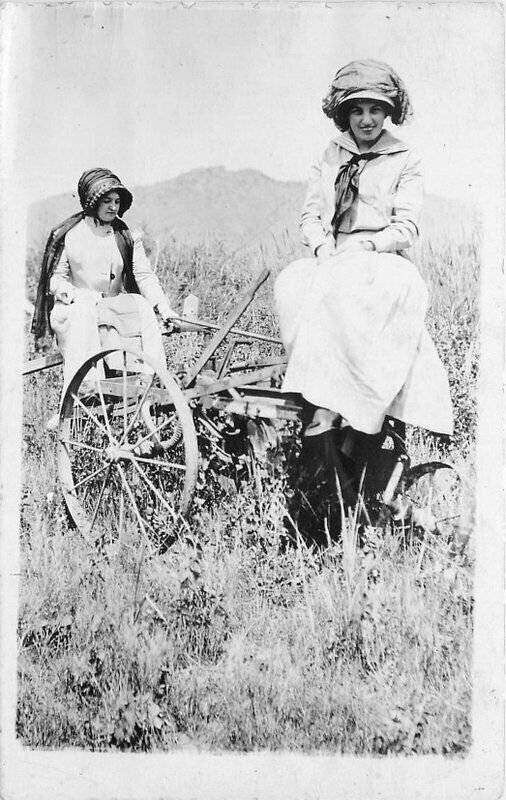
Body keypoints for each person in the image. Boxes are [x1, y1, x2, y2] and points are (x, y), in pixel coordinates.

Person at [274, 59, 453, 532]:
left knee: (363, 293)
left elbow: (407, 225)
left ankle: (355, 408)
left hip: (382, 258)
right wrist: (322, 245)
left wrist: (370, 244)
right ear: (344, 114)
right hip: (334, 256)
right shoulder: (330, 155)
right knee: (294, 282)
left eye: (376, 110)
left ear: (389, 112)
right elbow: (312, 215)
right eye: (358, 111)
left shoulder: (405, 158)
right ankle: (320, 407)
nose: (367, 120)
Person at [32, 168, 176, 421]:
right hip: (76, 308)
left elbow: (143, 276)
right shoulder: (71, 236)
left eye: (116, 202)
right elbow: (55, 278)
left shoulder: (126, 236)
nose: (112, 207)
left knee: (141, 305)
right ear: (92, 202)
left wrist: (163, 307)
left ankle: (150, 377)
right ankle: (83, 390)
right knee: (85, 309)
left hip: (111, 306)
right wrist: (68, 292)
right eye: (106, 201)